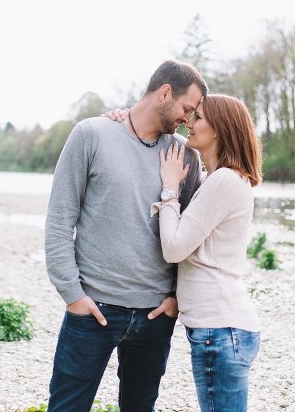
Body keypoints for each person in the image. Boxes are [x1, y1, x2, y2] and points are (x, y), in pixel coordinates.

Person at [44, 60, 208, 412]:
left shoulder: (186, 156)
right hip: (93, 310)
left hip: (154, 317)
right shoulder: (91, 134)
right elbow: (60, 221)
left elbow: (194, 238)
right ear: (165, 92)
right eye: (186, 108)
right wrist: (72, 295)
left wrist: (176, 298)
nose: (188, 119)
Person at [151, 93, 263, 412]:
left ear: (220, 128)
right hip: (221, 328)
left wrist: (170, 189)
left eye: (197, 117)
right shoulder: (217, 179)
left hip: (221, 329)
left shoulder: (225, 181)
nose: (189, 122)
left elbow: (174, 248)